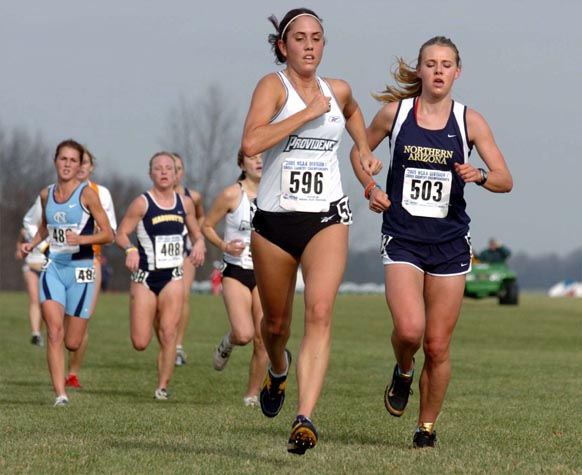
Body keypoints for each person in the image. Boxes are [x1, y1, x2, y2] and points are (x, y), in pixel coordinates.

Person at [349, 36, 513, 448]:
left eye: (446, 64)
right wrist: (370, 186)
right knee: (409, 330)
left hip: (450, 243)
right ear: (419, 71)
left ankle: (426, 429)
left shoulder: (469, 122)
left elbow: (505, 179)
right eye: (431, 64)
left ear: (457, 72)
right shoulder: (395, 114)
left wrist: (480, 175)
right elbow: (358, 150)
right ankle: (403, 369)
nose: (438, 71)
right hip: (402, 238)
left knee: (437, 345)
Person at [240, 8, 381, 455]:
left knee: (319, 313)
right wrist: (304, 115)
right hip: (275, 224)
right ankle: (277, 371)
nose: (309, 45)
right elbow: (250, 143)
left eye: (316, 38)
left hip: (327, 218)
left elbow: (354, 110)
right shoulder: (272, 86)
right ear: (283, 46)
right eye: (299, 38)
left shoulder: (336, 90)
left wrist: (361, 148)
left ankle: (304, 418)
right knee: (276, 326)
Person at [21, 139, 114, 406]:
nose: (67, 164)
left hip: (82, 271)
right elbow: (45, 226)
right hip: (54, 268)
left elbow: (108, 234)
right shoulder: (45, 194)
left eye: (73, 160)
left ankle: (69, 364)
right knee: (54, 330)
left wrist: (82, 240)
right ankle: (60, 394)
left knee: (72, 342)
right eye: (63, 159)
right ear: (55, 161)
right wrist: (33, 242)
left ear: (80, 166)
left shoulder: (87, 194)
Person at [115, 152, 206, 400]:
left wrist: (199, 245)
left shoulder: (184, 203)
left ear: (176, 174)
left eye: (169, 168)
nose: (164, 172)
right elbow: (121, 233)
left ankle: (162, 387)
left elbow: (196, 232)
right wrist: (130, 249)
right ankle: (148, 312)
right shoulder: (142, 203)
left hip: (173, 277)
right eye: (159, 168)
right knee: (140, 342)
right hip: (144, 277)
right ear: (150, 173)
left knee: (168, 332)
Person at [202, 150, 268, 407]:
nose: (260, 162)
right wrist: (224, 245)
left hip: (265, 273)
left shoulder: (276, 193)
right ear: (242, 163)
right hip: (236, 271)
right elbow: (206, 225)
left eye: (264, 157)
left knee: (263, 337)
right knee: (244, 334)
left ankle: (252, 395)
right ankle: (227, 343)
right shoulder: (232, 194)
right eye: (253, 158)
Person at [64, 148, 117, 389]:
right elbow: (37, 222)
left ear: (91, 167)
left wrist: (85, 238)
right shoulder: (55, 191)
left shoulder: (101, 193)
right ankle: (58, 369)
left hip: (88, 262)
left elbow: (111, 232)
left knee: (81, 318)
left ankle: (72, 373)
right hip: (59, 262)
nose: (81, 166)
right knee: (60, 321)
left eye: (85, 162)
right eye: (77, 162)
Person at [172, 153, 205, 367]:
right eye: (167, 167)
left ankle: (178, 346)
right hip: (160, 255)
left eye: (177, 168)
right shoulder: (149, 197)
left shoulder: (192, 196)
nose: (172, 172)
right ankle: (167, 341)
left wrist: (197, 238)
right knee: (163, 304)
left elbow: (200, 216)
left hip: (185, 252)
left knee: (182, 296)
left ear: (182, 172)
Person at [15, 196, 48, 347]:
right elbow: (20, 241)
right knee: (35, 299)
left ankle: (47, 331)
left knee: (45, 303)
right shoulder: (27, 229)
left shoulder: (52, 228)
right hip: (31, 266)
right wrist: (19, 251)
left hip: (48, 267)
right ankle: (35, 333)